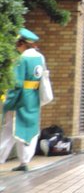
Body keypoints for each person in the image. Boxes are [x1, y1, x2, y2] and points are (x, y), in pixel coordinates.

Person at [0, 29, 48, 172]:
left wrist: (8, 102)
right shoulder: (40, 57)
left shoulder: (22, 59)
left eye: (17, 44)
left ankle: (1, 157)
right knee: (29, 128)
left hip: (21, 98)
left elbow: (17, 84)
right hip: (34, 97)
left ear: (21, 43)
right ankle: (24, 162)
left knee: (10, 130)